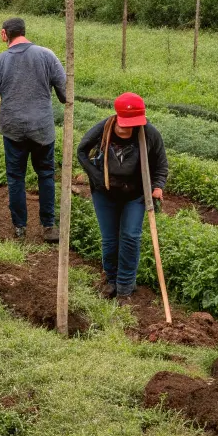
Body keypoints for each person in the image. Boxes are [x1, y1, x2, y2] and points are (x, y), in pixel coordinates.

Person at [0, 17, 66, 242]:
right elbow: (65, 93)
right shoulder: (47, 55)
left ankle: (20, 228)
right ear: (24, 32)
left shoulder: (0, 61)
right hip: (42, 128)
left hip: (13, 128)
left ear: (4, 34)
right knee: (46, 174)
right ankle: (48, 226)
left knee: (16, 177)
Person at [77, 93, 168, 299]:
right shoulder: (103, 129)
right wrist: (97, 177)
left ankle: (125, 286)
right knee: (110, 240)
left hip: (135, 194)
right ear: (117, 117)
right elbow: (81, 151)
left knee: (130, 237)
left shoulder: (149, 134)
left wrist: (157, 186)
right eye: (125, 123)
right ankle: (111, 280)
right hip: (105, 194)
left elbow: (161, 165)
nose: (129, 128)